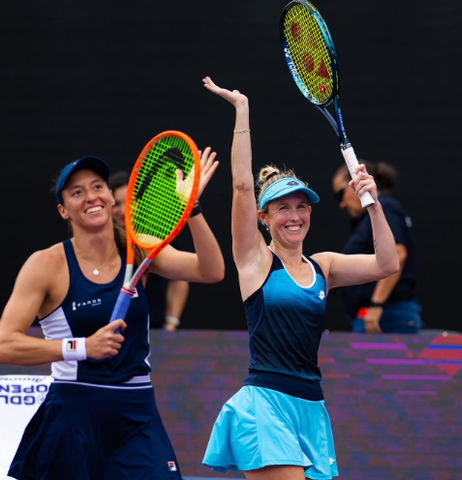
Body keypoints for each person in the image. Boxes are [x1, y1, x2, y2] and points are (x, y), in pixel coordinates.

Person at [201, 76, 399, 480]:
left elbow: (386, 264)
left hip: (310, 406)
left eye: (301, 206)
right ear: (264, 218)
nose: (294, 216)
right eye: (282, 208)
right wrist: (242, 111)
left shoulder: (323, 265)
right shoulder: (254, 260)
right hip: (264, 406)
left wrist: (373, 204)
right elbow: (242, 186)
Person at [0, 151, 224, 480]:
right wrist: (81, 348)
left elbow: (212, 270)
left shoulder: (140, 247)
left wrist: (192, 208)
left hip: (136, 412)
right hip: (73, 412)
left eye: (98, 187)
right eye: (77, 192)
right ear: (63, 209)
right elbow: (5, 343)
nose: (91, 197)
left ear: (109, 195)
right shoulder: (45, 264)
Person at [332, 161, 421, 334]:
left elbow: (399, 254)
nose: (341, 204)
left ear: (354, 184)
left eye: (339, 195)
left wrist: (376, 305)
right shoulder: (367, 218)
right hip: (381, 315)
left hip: (387, 317)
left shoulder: (384, 207)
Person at [109, 170, 190, 330]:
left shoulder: (156, 236)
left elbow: (180, 279)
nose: (124, 210)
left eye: (129, 202)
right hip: (108, 331)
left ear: (138, 203)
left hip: (153, 328)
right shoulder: (100, 240)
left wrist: (171, 323)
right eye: (117, 204)